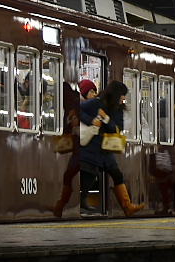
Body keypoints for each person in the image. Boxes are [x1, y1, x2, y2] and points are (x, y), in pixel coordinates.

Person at [78, 80, 144, 217]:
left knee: (117, 175)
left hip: (106, 148)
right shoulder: (95, 103)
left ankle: (127, 206)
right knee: (89, 174)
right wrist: (90, 120)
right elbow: (78, 110)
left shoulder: (118, 109)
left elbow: (117, 128)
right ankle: (81, 201)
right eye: (122, 94)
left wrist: (106, 119)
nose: (123, 98)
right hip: (91, 147)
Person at [49, 79, 95, 218]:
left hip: (81, 147)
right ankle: (69, 202)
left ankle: (62, 205)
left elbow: (73, 124)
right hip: (84, 146)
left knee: (70, 174)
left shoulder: (73, 104)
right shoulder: (77, 102)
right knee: (86, 171)